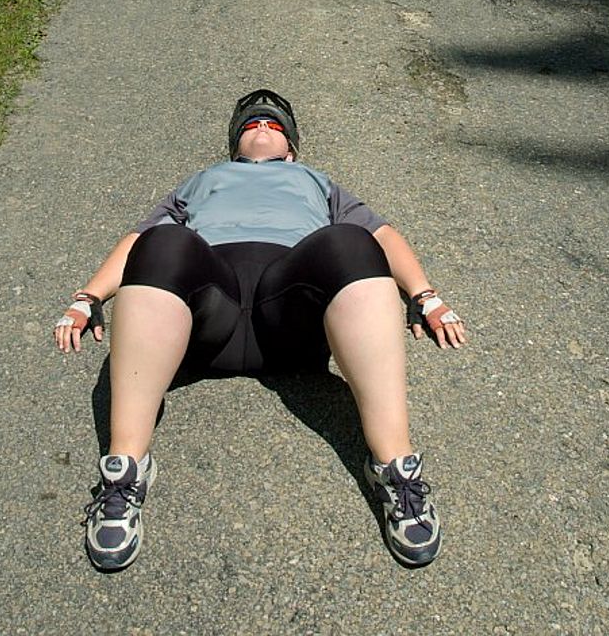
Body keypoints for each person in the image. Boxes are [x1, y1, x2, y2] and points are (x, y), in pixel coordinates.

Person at [54, 88, 465, 573]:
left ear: (291, 147)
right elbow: (137, 243)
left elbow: (383, 237)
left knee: (350, 241)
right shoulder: (200, 181)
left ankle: (395, 469)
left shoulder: (317, 181)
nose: (263, 128)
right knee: (163, 241)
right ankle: (124, 472)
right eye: (252, 124)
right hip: (211, 312)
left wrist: (424, 295)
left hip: (287, 310)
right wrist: (89, 296)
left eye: (273, 124)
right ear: (235, 143)